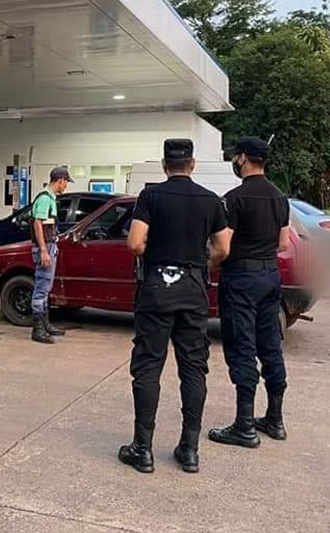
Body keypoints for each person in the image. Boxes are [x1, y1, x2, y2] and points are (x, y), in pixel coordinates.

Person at [119, 139, 231, 474]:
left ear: (164, 165)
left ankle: (142, 449)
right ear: (192, 164)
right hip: (193, 288)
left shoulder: (151, 197)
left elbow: (134, 243)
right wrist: (199, 264)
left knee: (148, 366)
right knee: (194, 368)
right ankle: (189, 449)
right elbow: (223, 248)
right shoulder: (211, 200)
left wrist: (155, 253)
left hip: (156, 287)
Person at [208, 136, 291, 449]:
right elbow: (283, 243)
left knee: (242, 346)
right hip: (270, 275)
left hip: (241, 278)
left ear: (243, 158)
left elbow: (222, 247)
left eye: (236, 156)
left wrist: (210, 262)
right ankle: (275, 419)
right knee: (270, 345)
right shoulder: (279, 197)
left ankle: (244, 426)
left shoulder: (234, 199)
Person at [29, 167, 72, 345]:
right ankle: (38, 329)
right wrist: (44, 250)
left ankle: (45, 324)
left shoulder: (50, 198)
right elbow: (38, 224)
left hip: (48, 245)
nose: (66, 186)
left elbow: (47, 225)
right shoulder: (45, 199)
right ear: (60, 180)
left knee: (46, 288)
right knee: (41, 288)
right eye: (66, 182)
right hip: (44, 247)